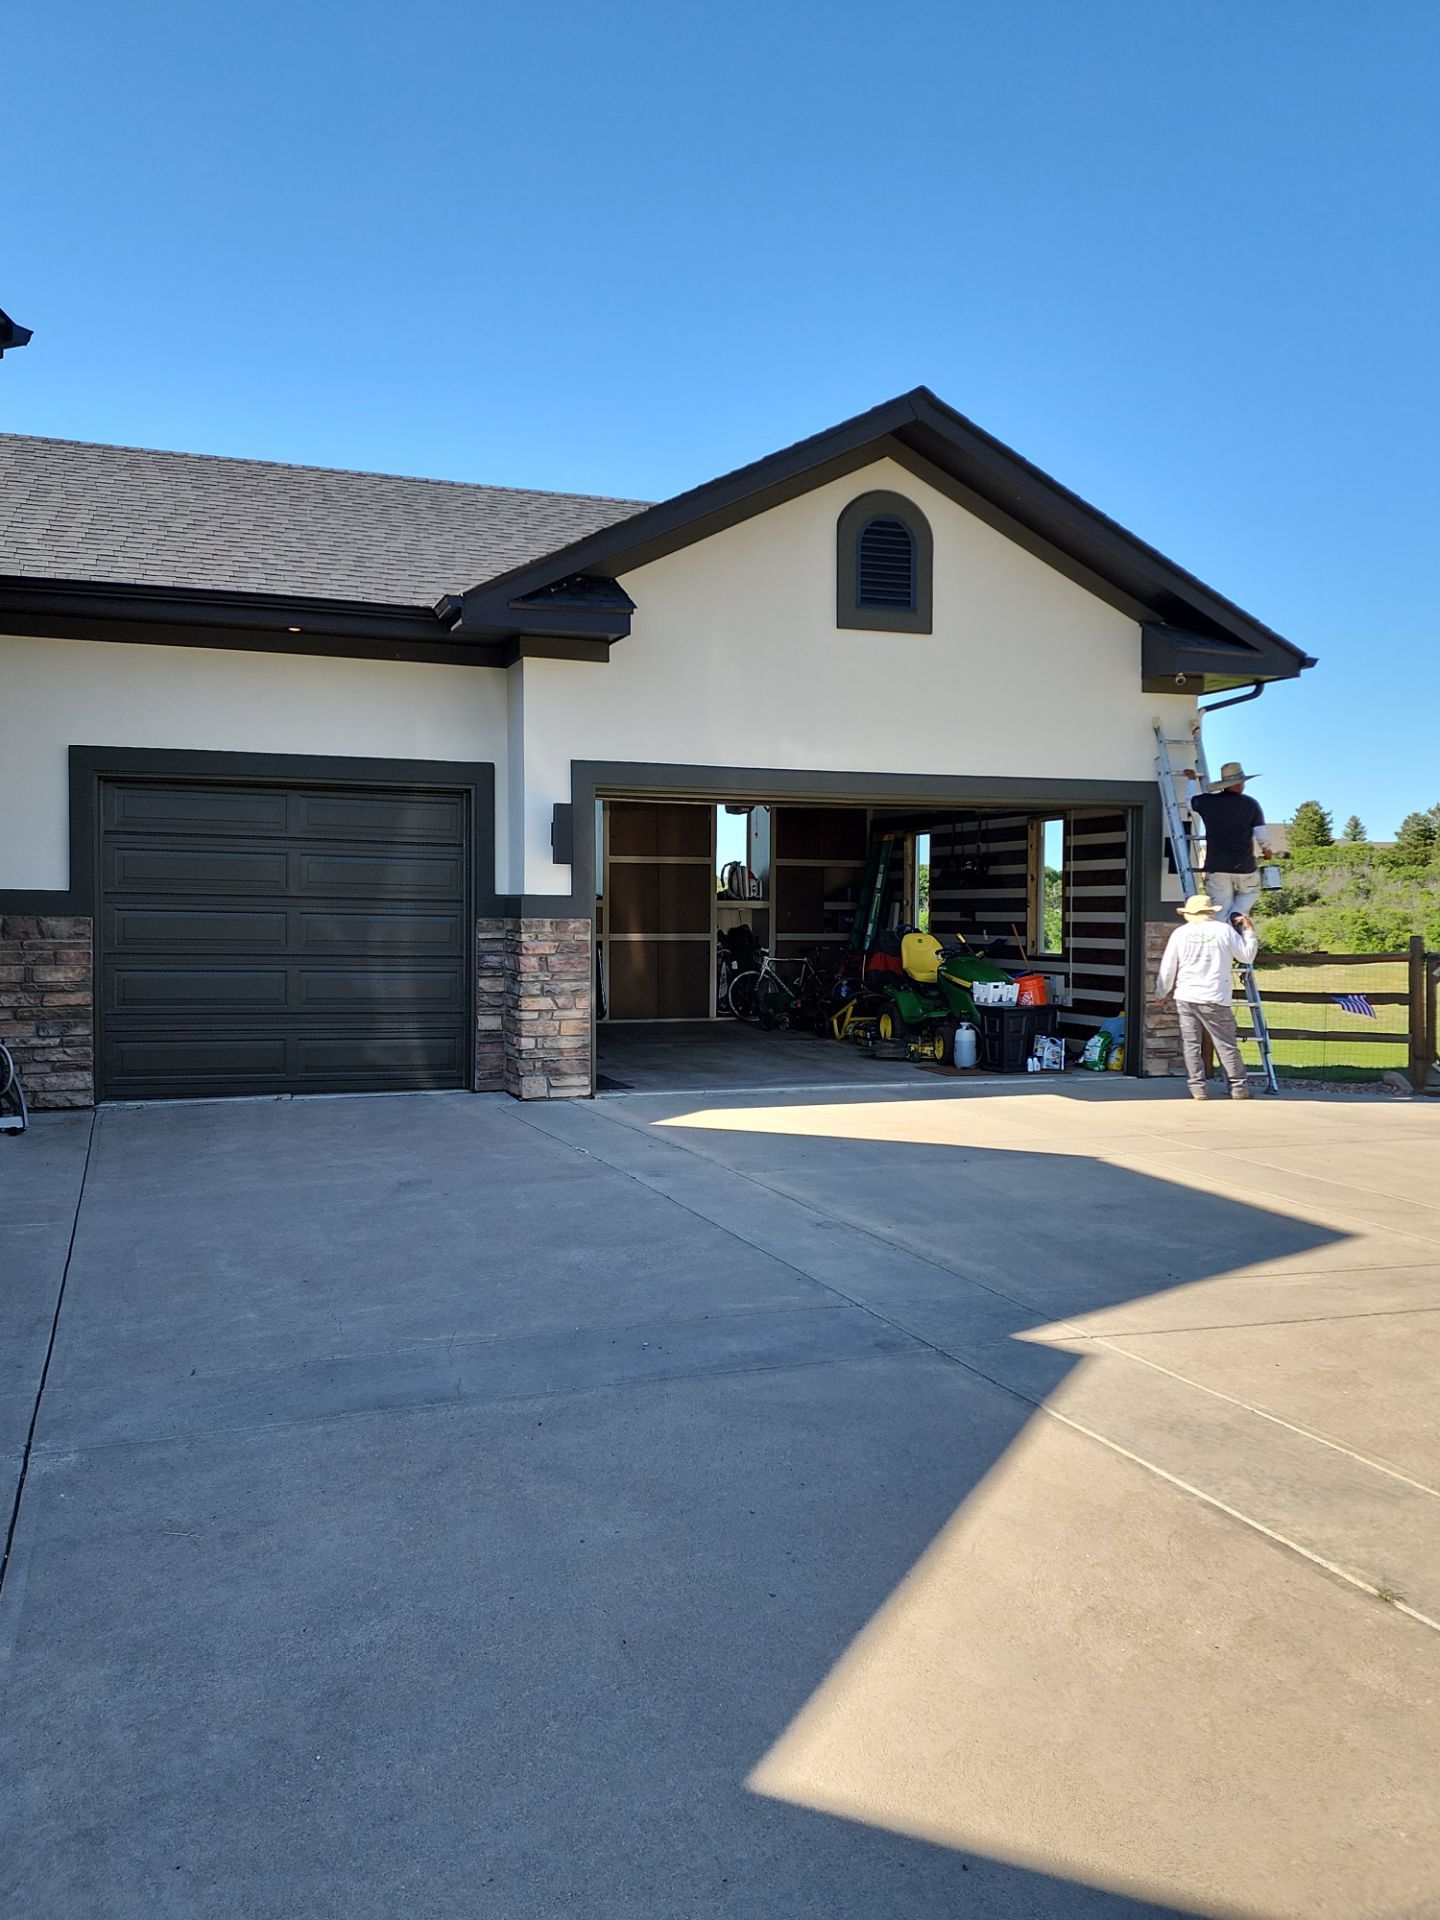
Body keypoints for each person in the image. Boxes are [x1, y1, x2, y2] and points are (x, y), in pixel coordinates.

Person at [1154, 893, 1259, 1100]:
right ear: (1210, 912)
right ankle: (1238, 1087)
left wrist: (1161, 991)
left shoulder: (1180, 934)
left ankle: (1197, 1088)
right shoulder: (1224, 931)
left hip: (1186, 995)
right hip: (1215, 995)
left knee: (1191, 1044)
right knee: (1226, 1043)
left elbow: (1168, 967)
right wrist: (1249, 931)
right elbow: (1246, 956)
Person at [1182, 760, 1272, 925]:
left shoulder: (1208, 801)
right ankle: (1238, 914)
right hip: (1244, 865)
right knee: (1249, 894)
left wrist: (1191, 780)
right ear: (1240, 783)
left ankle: (1222, 940)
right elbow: (1261, 833)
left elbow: (1189, 803)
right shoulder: (1250, 804)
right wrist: (1267, 850)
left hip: (1216, 865)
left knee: (1220, 909)